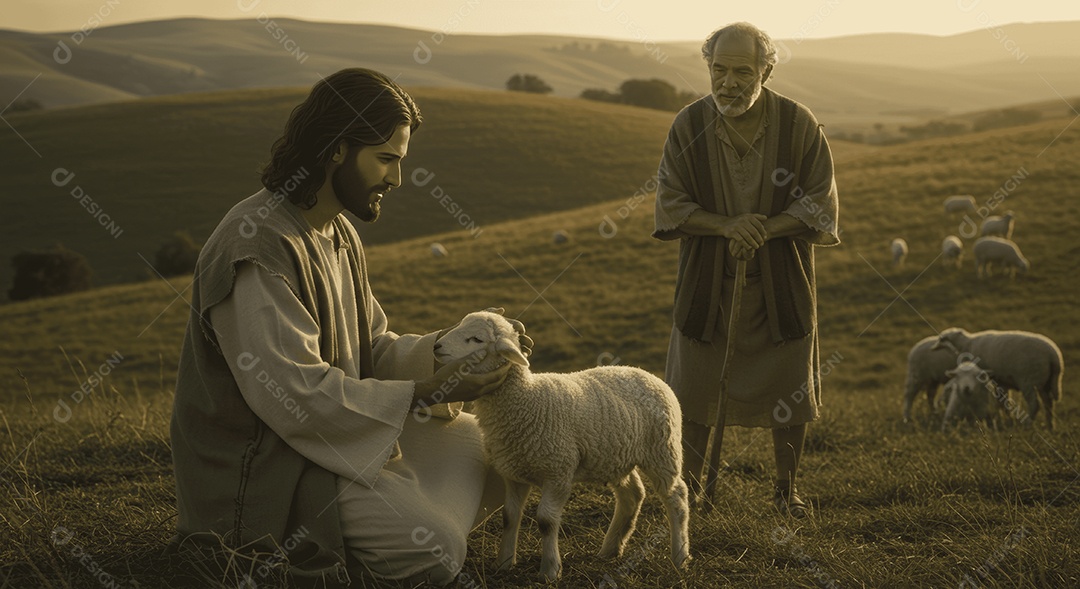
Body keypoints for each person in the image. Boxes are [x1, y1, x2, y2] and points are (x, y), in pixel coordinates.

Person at [169, 68, 527, 587]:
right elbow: (293, 394)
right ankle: (360, 540)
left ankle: (390, 522)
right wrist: (428, 391)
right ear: (337, 148)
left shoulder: (337, 230)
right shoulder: (257, 246)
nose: (396, 179)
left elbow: (370, 347)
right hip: (271, 463)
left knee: (491, 449)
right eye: (385, 159)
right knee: (437, 548)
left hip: (333, 435)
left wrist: (452, 354)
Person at [652, 23, 840, 518]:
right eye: (719, 69)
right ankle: (689, 492)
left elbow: (819, 201)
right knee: (693, 386)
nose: (728, 82)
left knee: (788, 383)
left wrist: (764, 229)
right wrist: (727, 225)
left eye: (742, 72)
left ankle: (785, 491)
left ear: (766, 72)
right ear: (708, 67)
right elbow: (671, 201)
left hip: (781, 278)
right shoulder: (688, 125)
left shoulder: (799, 124)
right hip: (706, 279)